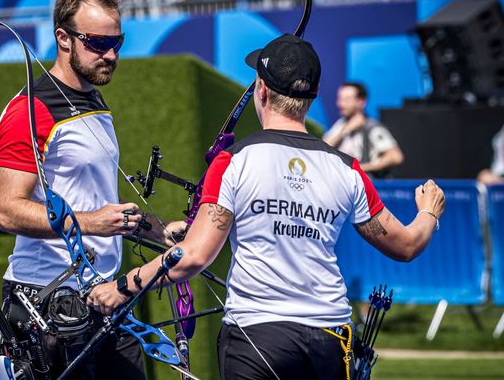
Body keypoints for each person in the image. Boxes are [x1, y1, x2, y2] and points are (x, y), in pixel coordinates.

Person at [88, 34, 446, 379]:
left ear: (261, 89)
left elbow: (192, 257)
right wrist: (428, 211)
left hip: (258, 339)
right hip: (330, 340)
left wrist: (121, 288)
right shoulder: (348, 169)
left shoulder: (234, 162)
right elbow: (406, 244)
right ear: (313, 96)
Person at [0, 0, 182, 379]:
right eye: (97, 43)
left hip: (104, 297)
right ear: (63, 38)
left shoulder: (94, 99)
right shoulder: (31, 109)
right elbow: (8, 211)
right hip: (44, 302)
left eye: (118, 42)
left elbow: (102, 201)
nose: (110, 54)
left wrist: (161, 232)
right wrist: (92, 222)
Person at [323, 82, 404, 178]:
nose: (340, 104)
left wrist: (361, 168)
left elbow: (396, 156)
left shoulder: (372, 127)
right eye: (340, 98)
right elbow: (323, 148)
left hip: (366, 185)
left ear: (361, 102)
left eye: (347, 99)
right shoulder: (341, 124)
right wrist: (346, 130)